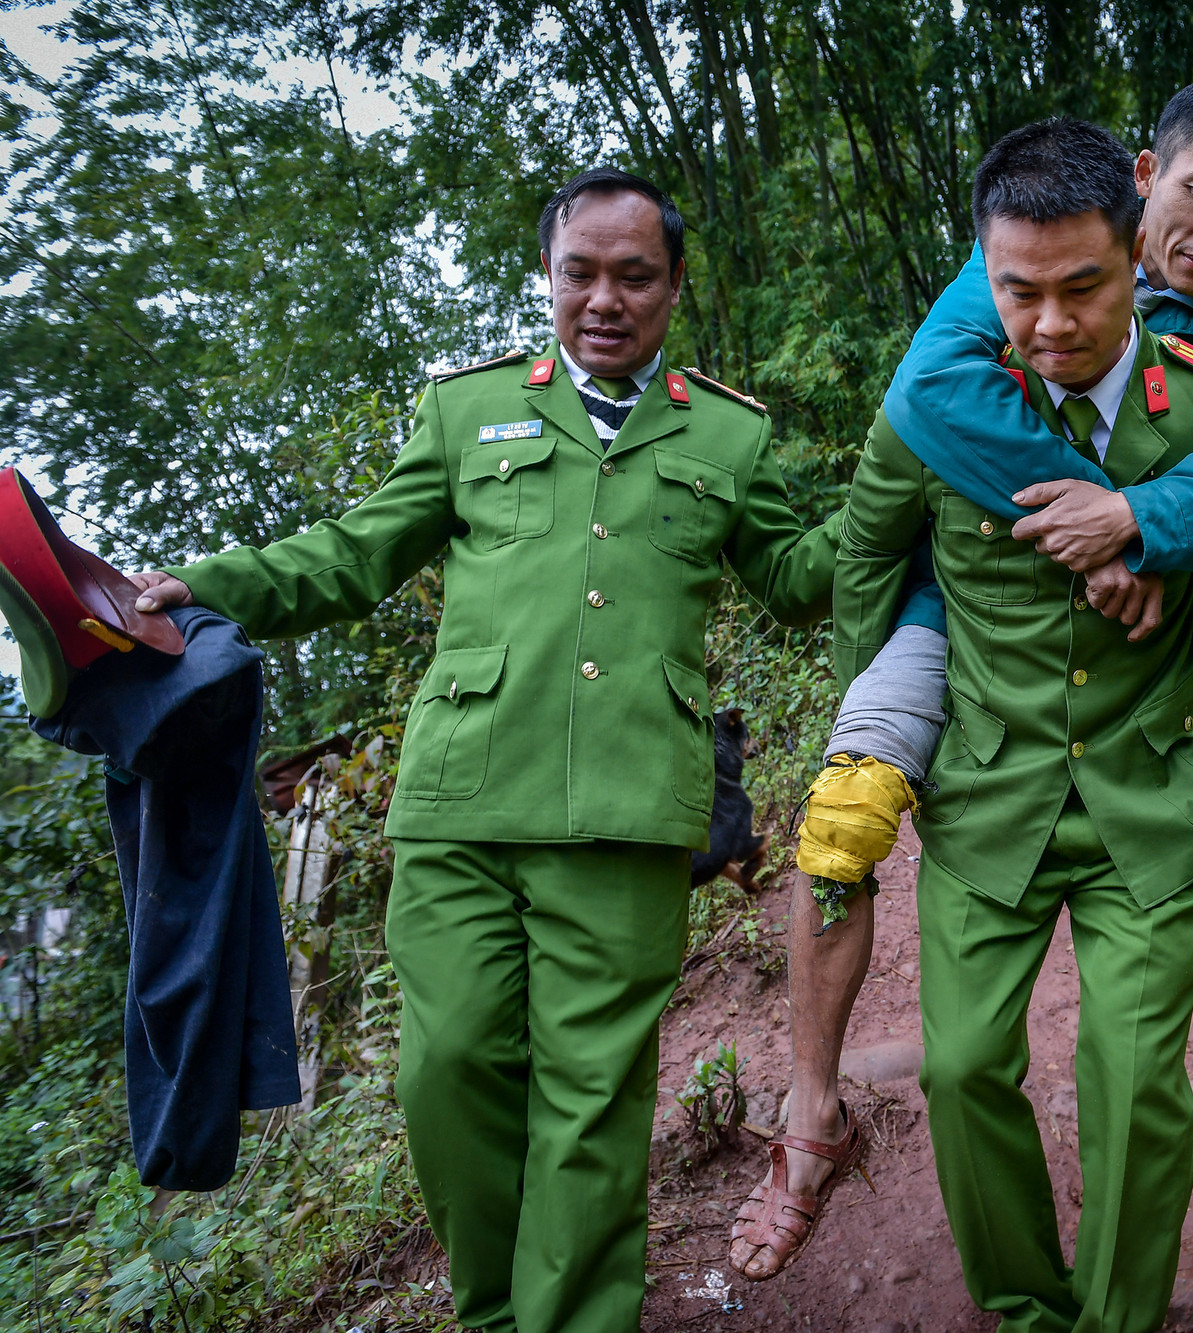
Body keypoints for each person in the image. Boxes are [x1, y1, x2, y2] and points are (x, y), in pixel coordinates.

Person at [126, 168, 843, 1333]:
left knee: (589, 1102)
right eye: (580, 273)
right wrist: (209, 585)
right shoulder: (468, 412)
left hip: (627, 812)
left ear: (674, 286)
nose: (604, 300)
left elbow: (801, 579)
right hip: (462, 799)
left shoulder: (727, 431)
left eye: (634, 277)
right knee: (445, 1068)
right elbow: (354, 553)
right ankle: (496, 1313)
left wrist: (904, 496)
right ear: (547, 276)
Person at [732, 77, 1193, 1286]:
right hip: (981, 722)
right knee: (903, 951)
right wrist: (888, 700)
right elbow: (886, 506)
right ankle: (815, 1116)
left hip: (1152, 743)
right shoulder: (976, 317)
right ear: (1150, 178)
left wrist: (1148, 528)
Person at [842, 114, 1193, 1332]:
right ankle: (1024, 1306)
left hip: (1151, 790)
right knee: (959, 1068)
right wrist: (867, 736)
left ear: (1133, 252)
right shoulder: (937, 409)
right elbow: (867, 560)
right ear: (984, 276)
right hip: (989, 792)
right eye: (1018, 292)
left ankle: (1115, 1317)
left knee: (1136, 1083)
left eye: (1082, 287)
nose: (1048, 324)